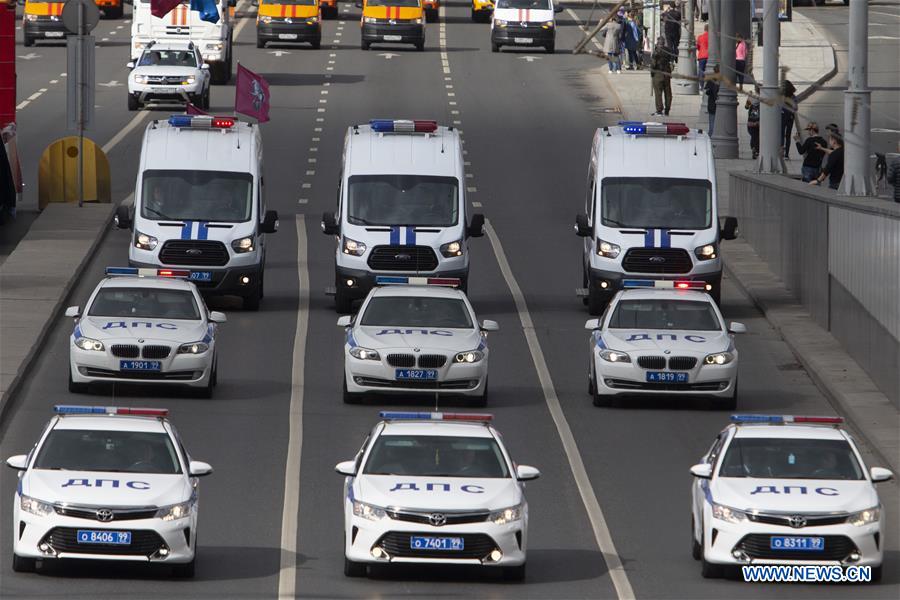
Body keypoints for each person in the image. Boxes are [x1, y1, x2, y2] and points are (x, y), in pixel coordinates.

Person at [650, 37, 673, 116]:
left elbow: (653, 64)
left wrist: (652, 73)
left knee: (658, 93)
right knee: (668, 92)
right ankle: (667, 109)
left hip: (658, 73)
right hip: (667, 73)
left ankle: (659, 110)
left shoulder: (656, 52)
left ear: (658, 43)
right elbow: (671, 60)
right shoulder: (668, 51)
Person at [781, 79, 797, 159]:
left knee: (781, 134)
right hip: (790, 117)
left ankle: (781, 151)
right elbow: (795, 108)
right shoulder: (793, 96)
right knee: (788, 135)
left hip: (782, 116)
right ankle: (786, 154)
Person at [745, 89, 760, 159]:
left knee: (753, 136)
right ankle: (756, 150)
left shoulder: (751, 98)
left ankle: (753, 148)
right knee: (757, 137)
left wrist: (749, 97)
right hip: (758, 122)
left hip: (750, 122)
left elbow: (746, 107)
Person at [705, 65, 719, 135]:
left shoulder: (712, 79)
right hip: (719, 106)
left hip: (712, 105)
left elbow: (707, 91)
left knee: (712, 124)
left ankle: (711, 136)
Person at [696, 24, 709, 91]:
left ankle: (702, 86)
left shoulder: (700, 37)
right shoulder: (712, 37)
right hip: (710, 56)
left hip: (702, 56)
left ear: (704, 29)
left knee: (701, 71)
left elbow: (698, 47)